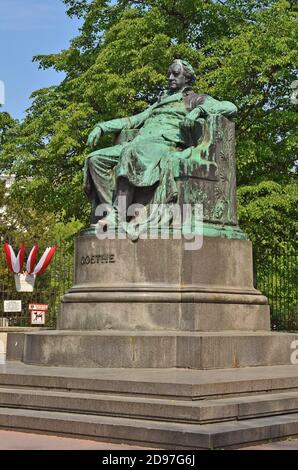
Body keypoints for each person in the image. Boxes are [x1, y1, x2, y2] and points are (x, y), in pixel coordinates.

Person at [84, 59, 236, 227]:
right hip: (140, 143)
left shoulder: (193, 100)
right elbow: (132, 121)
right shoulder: (159, 103)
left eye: (175, 74)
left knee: (130, 152)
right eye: (169, 74)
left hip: (164, 145)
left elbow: (230, 107)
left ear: (187, 78)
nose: (170, 77)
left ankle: (118, 216)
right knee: (95, 160)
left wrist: (198, 111)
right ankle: (113, 213)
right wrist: (102, 127)